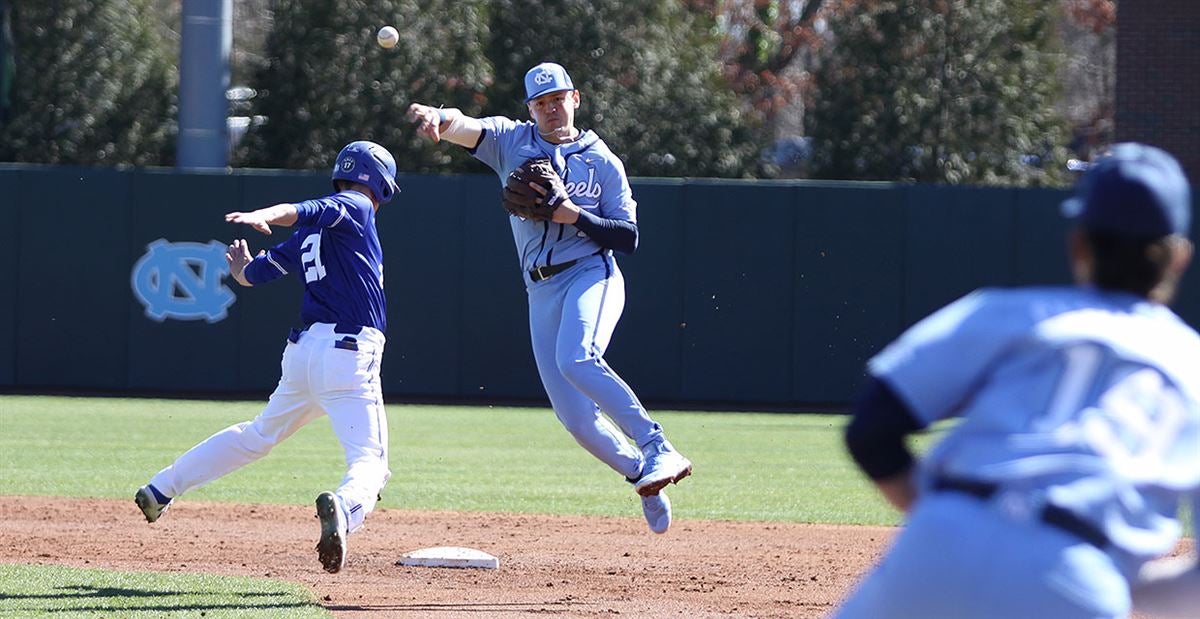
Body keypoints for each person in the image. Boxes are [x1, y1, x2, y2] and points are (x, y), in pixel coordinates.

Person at [834, 142, 1200, 618]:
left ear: (1079, 244)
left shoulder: (1007, 312)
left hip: (940, 542)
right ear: (1178, 258)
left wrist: (948, 517)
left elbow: (872, 429)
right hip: (1079, 571)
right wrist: (1098, 581)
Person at [406, 62, 692, 534]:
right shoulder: (510, 141)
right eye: (541, 103)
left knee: (576, 358)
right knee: (575, 417)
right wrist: (437, 116)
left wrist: (572, 214)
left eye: (558, 99)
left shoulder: (603, 161)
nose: (551, 109)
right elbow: (463, 125)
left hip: (591, 273)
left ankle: (658, 446)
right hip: (539, 289)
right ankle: (643, 476)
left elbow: (629, 237)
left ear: (575, 98)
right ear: (531, 109)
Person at [134, 140, 399, 575]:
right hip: (350, 354)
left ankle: (162, 488)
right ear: (382, 186)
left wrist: (240, 268)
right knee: (371, 462)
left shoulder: (310, 238)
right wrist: (267, 215)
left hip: (302, 355)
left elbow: (253, 276)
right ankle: (346, 507)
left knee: (258, 435)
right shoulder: (357, 204)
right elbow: (313, 208)